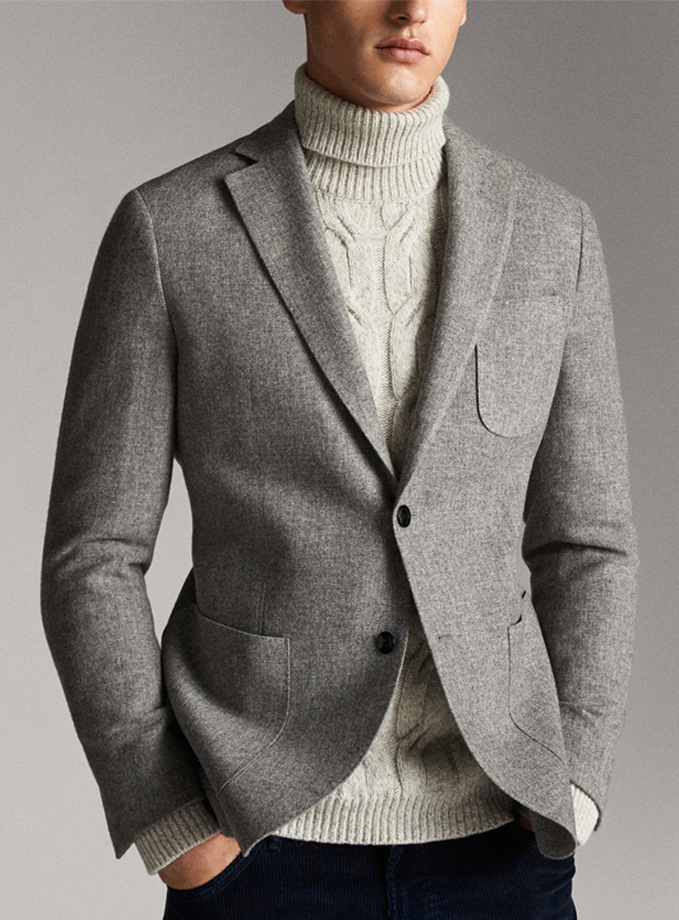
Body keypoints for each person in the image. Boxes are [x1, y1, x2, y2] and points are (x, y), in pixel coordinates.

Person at [41, 1, 638, 917]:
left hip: (502, 846)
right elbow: (93, 552)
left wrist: (578, 775)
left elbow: (588, 539)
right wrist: (163, 813)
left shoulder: (552, 232)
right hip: (257, 848)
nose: (410, 9)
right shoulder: (171, 229)